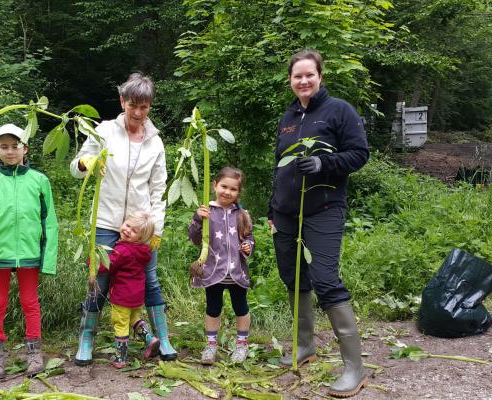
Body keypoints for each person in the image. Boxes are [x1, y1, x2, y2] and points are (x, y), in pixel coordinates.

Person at [268, 50, 369, 398]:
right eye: (297, 76)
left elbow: (359, 154)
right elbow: (278, 166)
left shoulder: (339, 110)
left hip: (323, 209)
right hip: (285, 213)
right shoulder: (290, 116)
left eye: (309, 75)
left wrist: (324, 164)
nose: (304, 81)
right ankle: (304, 346)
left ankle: (354, 368)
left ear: (320, 76)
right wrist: (271, 208)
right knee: (293, 276)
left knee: (325, 279)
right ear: (290, 81)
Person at [70, 73, 177, 364]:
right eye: (133, 106)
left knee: (150, 281)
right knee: (101, 280)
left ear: (150, 106)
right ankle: (87, 339)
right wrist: (87, 161)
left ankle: (163, 338)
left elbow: (158, 189)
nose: (138, 113)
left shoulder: (155, 142)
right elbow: (75, 169)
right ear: (122, 101)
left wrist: (157, 228)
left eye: (144, 107)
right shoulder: (104, 131)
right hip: (105, 221)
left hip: (140, 226)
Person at [0, 123, 58, 380]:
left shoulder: (40, 180)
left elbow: (49, 221)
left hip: (29, 253)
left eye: (15, 146)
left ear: (25, 148)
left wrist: (48, 258)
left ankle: (34, 353)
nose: (10, 151)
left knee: (30, 302)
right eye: (4, 147)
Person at [188, 167, 255, 364]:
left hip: (236, 272)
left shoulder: (242, 214)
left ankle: (241, 345)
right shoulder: (207, 211)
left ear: (238, 193)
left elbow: (249, 237)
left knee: (241, 307)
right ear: (215, 185)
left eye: (233, 189)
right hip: (213, 272)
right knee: (213, 307)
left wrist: (248, 246)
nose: (227, 192)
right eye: (224, 186)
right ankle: (210, 346)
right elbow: (194, 238)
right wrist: (198, 218)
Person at [91, 211, 161, 368]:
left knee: (120, 323)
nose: (128, 230)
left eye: (134, 231)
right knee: (133, 319)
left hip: (122, 296)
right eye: (127, 225)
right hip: (137, 296)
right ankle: (150, 338)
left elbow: (107, 265)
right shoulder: (142, 251)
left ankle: (120, 357)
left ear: (140, 238)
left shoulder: (123, 251)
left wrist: (92, 262)